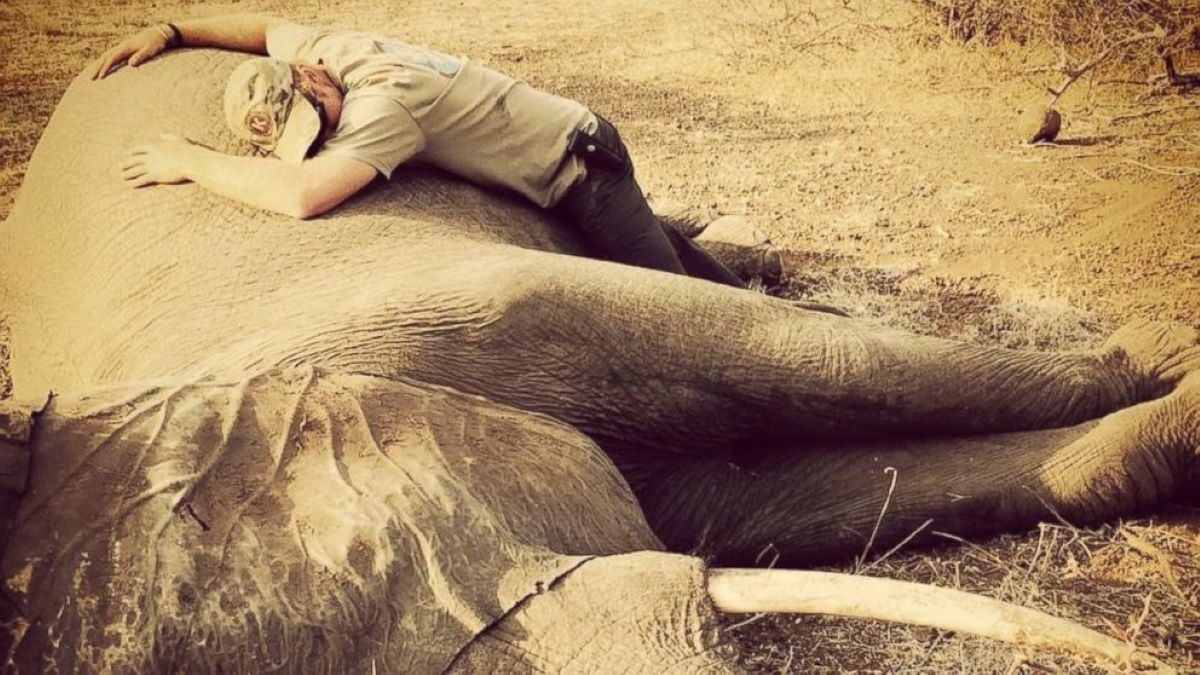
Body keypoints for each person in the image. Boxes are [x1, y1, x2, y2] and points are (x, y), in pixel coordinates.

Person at [93, 14, 749, 288]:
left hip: (582, 168)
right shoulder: (331, 49)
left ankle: (800, 333)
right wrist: (174, 27)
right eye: (308, 138)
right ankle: (754, 295)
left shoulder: (385, 108)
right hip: (561, 142)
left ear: (312, 80)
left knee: (679, 301)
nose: (324, 136)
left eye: (316, 120)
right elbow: (264, 27)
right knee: (679, 262)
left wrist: (190, 160)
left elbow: (303, 196)